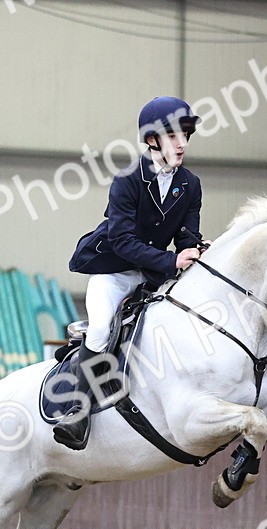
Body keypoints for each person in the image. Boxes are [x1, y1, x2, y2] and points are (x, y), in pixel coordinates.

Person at [52, 96, 204, 451]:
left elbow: (185, 235)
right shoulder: (128, 181)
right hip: (115, 272)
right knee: (103, 326)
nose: (181, 143)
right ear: (152, 140)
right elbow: (121, 241)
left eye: (185, 135)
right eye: (172, 136)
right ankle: (78, 410)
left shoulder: (190, 184)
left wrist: (195, 246)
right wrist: (172, 262)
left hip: (154, 276)